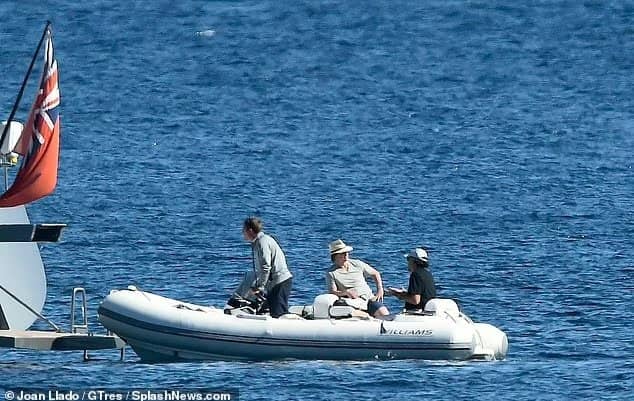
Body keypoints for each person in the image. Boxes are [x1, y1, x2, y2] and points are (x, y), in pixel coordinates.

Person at [242, 216, 293, 318]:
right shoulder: (259, 242)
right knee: (264, 310)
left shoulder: (262, 242)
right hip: (274, 283)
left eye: (243, 230)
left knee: (278, 314)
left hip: (280, 282)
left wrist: (260, 287)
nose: (242, 233)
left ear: (250, 231)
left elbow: (266, 267)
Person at [325, 239, 390, 318]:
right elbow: (333, 292)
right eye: (342, 254)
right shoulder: (331, 273)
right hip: (352, 302)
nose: (346, 256)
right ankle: (368, 317)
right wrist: (346, 292)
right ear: (335, 256)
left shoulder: (357, 263)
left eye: (346, 253)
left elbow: (375, 273)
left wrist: (380, 290)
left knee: (384, 313)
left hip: (369, 299)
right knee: (350, 311)